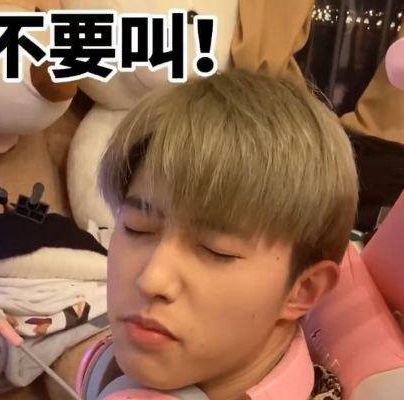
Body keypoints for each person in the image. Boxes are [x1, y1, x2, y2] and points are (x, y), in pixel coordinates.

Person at [96, 69, 358, 400]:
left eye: (215, 250)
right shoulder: (109, 365)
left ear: (303, 290)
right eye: (137, 227)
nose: (151, 280)